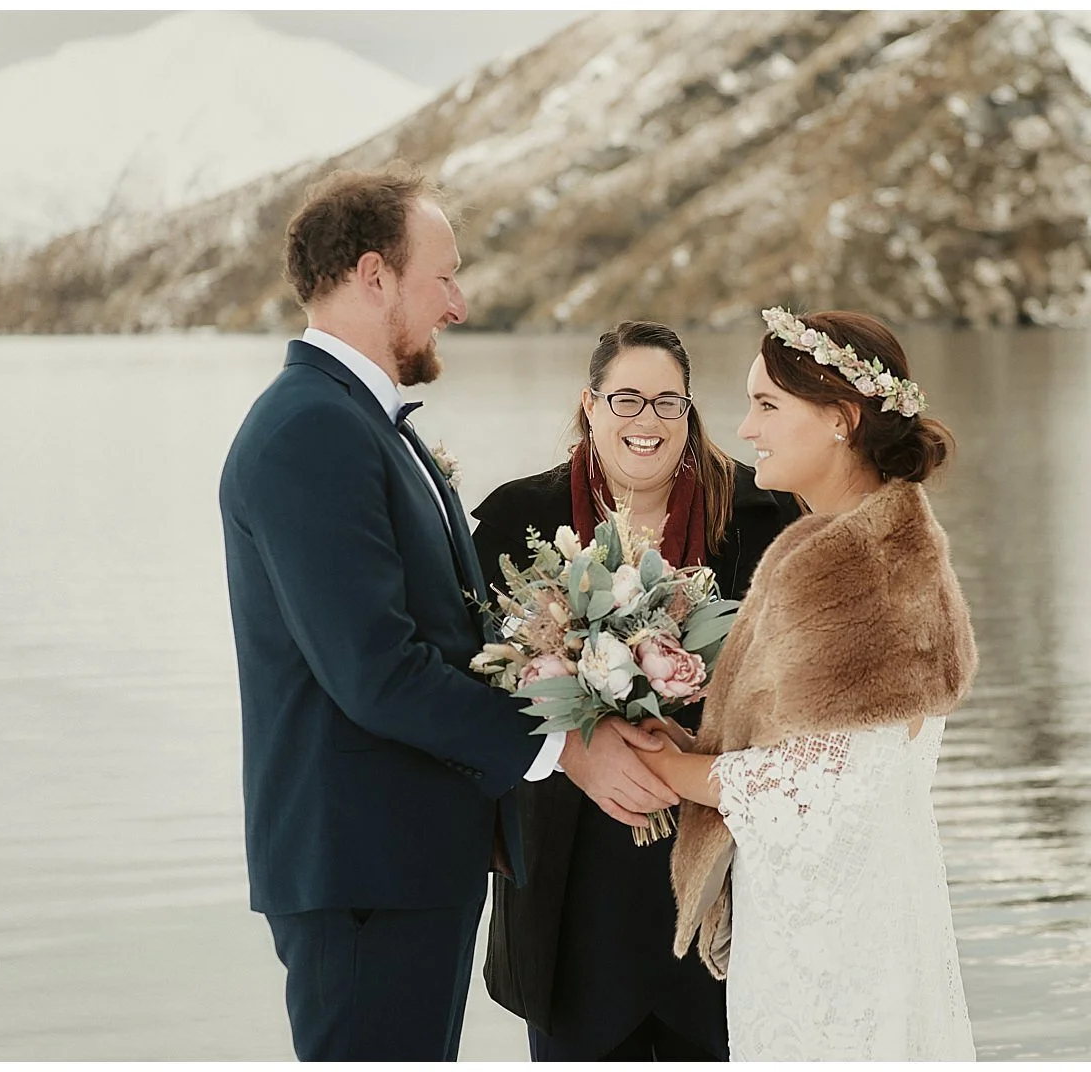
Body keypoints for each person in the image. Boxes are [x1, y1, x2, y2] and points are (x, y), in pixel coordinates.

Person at [217, 164, 676, 1061]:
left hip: (404, 862)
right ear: (373, 275)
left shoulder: (361, 423)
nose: (459, 304)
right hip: (362, 869)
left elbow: (449, 635)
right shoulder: (309, 431)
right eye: (445, 276)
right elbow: (376, 671)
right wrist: (564, 746)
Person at [638, 309, 980, 1060]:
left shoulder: (856, 566)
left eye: (766, 405)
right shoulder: (877, 541)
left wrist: (666, 768)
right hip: (860, 905)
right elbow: (833, 746)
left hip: (836, 938)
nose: (746, 428)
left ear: (840, 420)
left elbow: (818, 785)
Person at [471, 320, 802, 1061]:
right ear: (589, 406)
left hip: (717, 876)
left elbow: (797, 691)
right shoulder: (515, 520)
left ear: (690, 413)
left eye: (667, 403)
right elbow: (477, 686)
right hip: (569, 876)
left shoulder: (762, 519)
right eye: (626, 399)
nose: (645, 421)